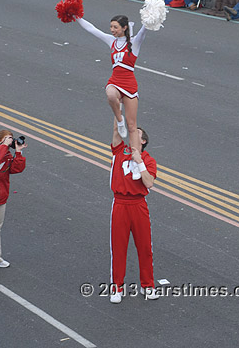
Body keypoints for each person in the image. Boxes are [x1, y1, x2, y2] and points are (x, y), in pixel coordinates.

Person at [76, 15, 147, 164]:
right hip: (115, 80)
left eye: (115, 27)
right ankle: (119, 120)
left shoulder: (134, 43)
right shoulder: (111, 41)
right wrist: (76, 16)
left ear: (124, 28)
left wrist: (150, 18)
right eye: (111, 27)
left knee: (133, 126)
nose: (112, 30)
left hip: (130, 84)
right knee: (110, 94)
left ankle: (136, 161)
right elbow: (91, 29)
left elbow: (143, 31)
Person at [109, 118, 158, 303]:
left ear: (143, 141)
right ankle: (116, 287)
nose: (132, 133)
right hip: (120, 204)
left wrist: (139, 162)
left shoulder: (149, 160)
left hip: (138, 204)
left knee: (144, 247)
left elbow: (149, 183)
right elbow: (116, 129)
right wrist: (119, 107)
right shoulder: (120, 151)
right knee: (118, 248)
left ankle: (148, 286)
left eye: (136, 132)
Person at [0, 130, 26, 268]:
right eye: (6, 139)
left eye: (11, 139)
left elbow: (17, 169)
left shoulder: (7, 155)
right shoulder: (0, 151)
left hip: (0, 197)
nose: (9, 141)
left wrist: (18, 152)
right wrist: (3, 146)